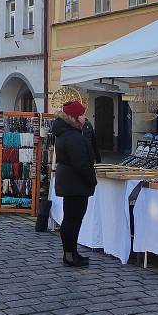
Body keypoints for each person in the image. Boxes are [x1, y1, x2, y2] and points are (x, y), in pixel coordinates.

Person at [51, 100, 97, 267]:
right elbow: (81, 163)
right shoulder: (72, 136)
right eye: (82, 114)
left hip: (69, 181)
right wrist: (92, 180)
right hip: (75, 183)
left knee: (71, 219)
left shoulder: (67, 133)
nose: (85, 117)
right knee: (73, 219)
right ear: (75, 117)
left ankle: (71, 252)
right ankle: (69, 255)